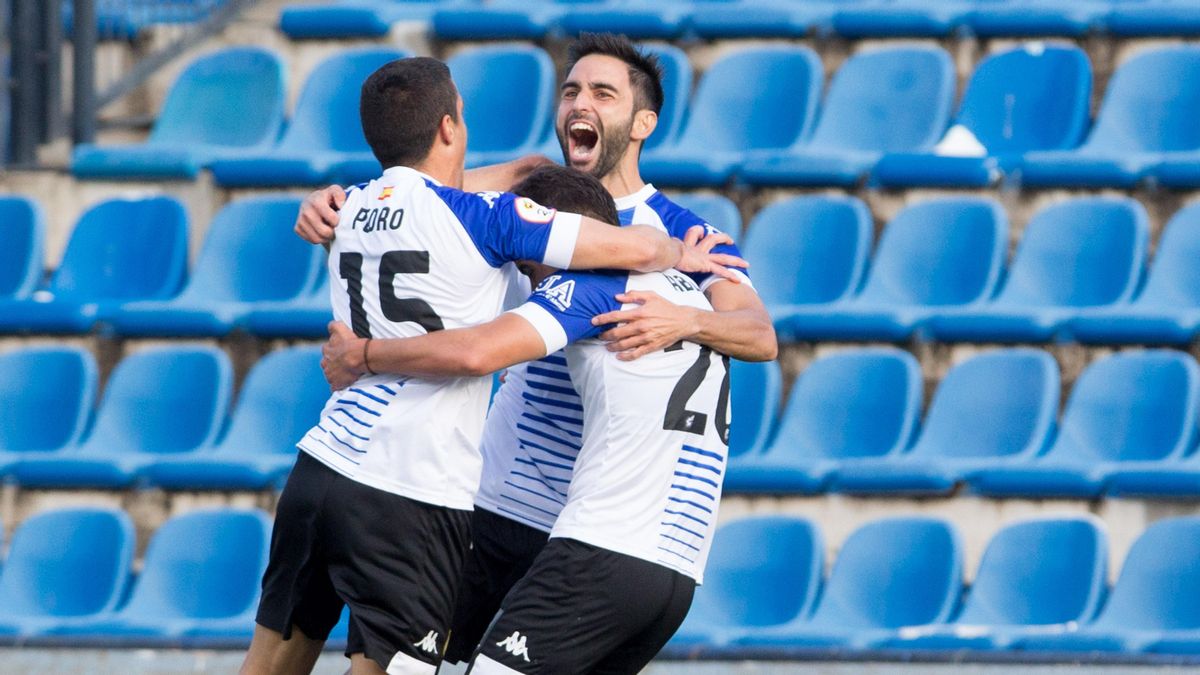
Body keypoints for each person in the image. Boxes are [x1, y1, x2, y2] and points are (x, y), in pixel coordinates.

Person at [240, 57, 743, 675]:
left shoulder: (651, 241)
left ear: (643, 121)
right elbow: (490, 185)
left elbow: (759, 334)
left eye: (602, 93)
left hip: (529, 512)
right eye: (570, 91)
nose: (580, 103)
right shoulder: (512, 211)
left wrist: (689, 315)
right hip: (497, 503)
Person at [320, 163, 731, 674]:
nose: (530, 276)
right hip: (677, 571)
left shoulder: (592, 287)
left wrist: (363, 353)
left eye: (533, 264)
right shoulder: (687, 294)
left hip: (605, 549)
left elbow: (477, 353)